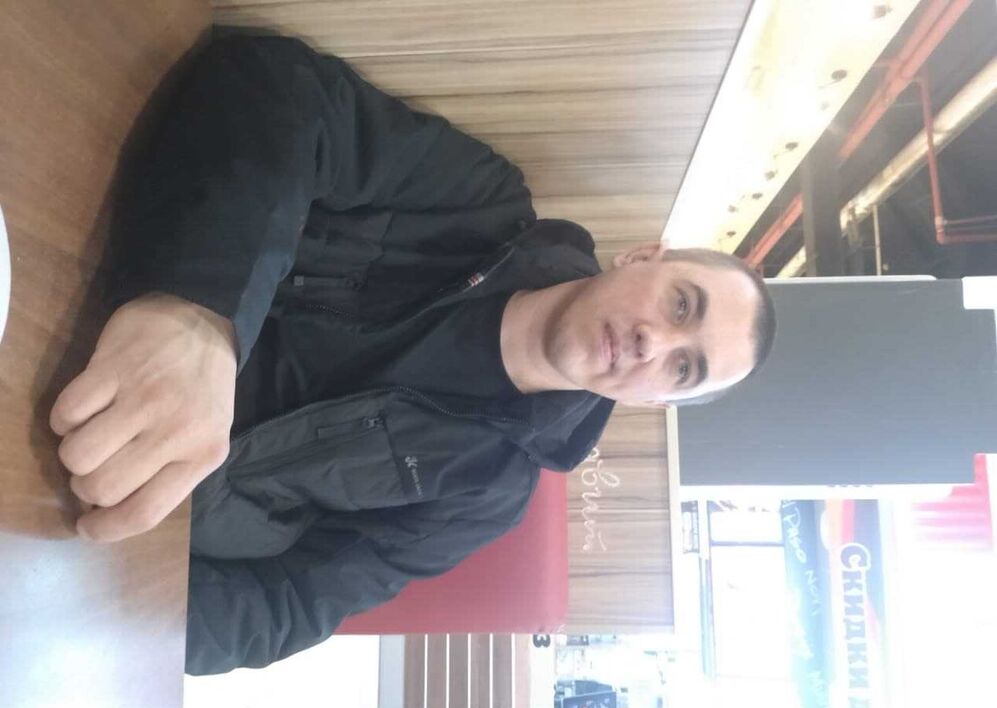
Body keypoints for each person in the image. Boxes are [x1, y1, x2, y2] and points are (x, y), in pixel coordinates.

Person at [48, 31, 776, 674]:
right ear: (643, 257)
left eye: (683, 368)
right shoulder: (479, 205)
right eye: (681, 305)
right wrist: (198, 314)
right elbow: (277, 86)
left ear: (655, 401)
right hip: (78, 296)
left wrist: (110, 612)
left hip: (93, 517)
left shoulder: (485, 495)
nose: (654, 342)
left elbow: (289, 605)